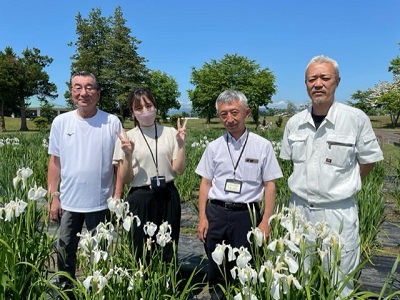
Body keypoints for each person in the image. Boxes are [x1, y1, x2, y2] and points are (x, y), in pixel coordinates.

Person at [279, 55, 384, 297]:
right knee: (298, 276)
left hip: (338, 212)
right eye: (312, 79)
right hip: (299, 210)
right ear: (305, 84)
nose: (318, 84)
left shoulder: (355, 119)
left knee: (339, 280)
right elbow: (290, 164)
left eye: (325, 78)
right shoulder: (294, 123)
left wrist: (345, 184)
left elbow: (369, 161)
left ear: (337, 81)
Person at [196, 89, 283, 299]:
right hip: (216, 212)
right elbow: (205, 183)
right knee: (216, 266)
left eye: (234, 112)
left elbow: (270, 185)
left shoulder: (262, 146)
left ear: (246, 112)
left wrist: (265, 221)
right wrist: (202, 217)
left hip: (247, 214)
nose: (229, 119)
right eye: (223, 114)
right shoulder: (214, 147)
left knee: (247, 266)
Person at [47, 71, 123, 297]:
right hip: (69, 202)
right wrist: (54, 197)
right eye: (77, 87)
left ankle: (99, 291)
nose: (83, 92)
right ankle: (65, 290)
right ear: (71, 92)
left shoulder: (111, 121)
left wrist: (117, 198)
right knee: (65, 251)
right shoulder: (61, 122)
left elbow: (119, 164)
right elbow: (54, 163)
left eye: (89, 87)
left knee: (101, 253)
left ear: (98, 93)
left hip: (101, 203)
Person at [113, 87, 187, 262]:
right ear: (132, 112)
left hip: (168, 195)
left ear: (155, 107)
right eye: (139, 108)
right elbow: (127, 179)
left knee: (169, 245)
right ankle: (143, 286)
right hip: (140, 198)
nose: (145, 111)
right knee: (140, 247)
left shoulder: (170, 133)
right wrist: (128, 154)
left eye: (149, 105)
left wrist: (182, 145)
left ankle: (167, 285)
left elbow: (178, 169)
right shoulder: (127, 138)